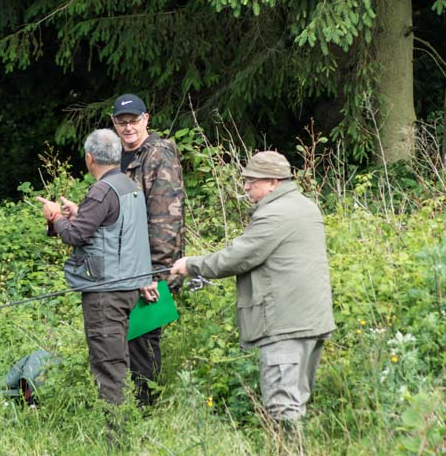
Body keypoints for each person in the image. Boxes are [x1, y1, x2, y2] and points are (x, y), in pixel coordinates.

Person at [171, 150, 335, 422]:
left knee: (282, 405)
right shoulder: (304, 206)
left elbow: (238, 256)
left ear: (273, 182)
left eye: (252, 180)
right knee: (295, 400)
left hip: (285, 323)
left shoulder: (276, 213)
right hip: (309, 320)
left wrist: (192, 265)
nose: (245, 186)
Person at [36, 129, 151, 406]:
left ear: (89, 159)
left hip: (106, 293)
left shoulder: (101, 190)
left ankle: (118, 441)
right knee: (120, 360)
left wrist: (54, 217)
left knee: (109, 366)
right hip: (129, 287)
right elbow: (117, 229)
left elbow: (75, 236)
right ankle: (131, 424)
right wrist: (79, 214)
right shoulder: (129, 185)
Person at [111, 93, 185, 405]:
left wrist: (155, 273)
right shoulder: (118, 156)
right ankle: (131, 404)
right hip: (125, 268)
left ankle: (147, 411)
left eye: (134, 120)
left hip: (151, 271)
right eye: (121, 121)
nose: (128, 127)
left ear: (146, 119)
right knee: (126, 339)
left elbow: (166, 220)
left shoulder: (158, 155)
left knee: (144, 338)